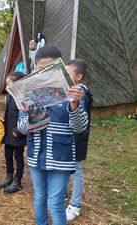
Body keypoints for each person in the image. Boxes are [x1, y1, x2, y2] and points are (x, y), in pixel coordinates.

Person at [17, 45, 89, 225]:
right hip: (36, 156)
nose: (44, 74)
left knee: (55, 203)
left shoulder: (75, 92)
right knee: (39, 198)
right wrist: (32, 117)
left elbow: (80, 128)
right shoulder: (30, 92)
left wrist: (74, 105)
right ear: (35, 68)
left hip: (61, 158)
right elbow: (21, 128)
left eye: (50, 69)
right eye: (40, 70)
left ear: (60, 67)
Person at [65, 59, 92, 221]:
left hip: (77, 139)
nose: (65, 76)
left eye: (69, 73)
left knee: (76, 171)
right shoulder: (69, 90)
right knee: (65, 168)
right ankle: (62, 194)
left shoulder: (81, 92)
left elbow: (80, 119)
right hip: (66, 138)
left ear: (79, 76)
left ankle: (75, 205)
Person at [0, 71, 27, 193]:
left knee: (18, 157)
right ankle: (8, 177)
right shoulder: (9, 96)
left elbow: (26, 117)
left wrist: (18, 131)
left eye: (9, 85)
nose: (7, 87)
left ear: (18, 85)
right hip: (8, 133)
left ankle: (17, 181)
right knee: (7, 155)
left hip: (18, 134)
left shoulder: (23, 98)